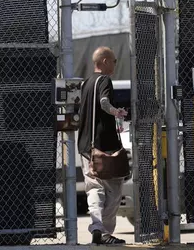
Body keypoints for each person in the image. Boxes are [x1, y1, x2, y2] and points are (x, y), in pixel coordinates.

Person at [78, 46, 128, 245]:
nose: (115, 64)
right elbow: (104, 102)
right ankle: (106, 232)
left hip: (85, 147)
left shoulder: (85, 83)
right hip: (104, 146)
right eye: (114, 61)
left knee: (93, 188)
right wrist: (116, 112)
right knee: (114, 190)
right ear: (105, 61)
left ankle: (97, 227)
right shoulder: (104, 80)